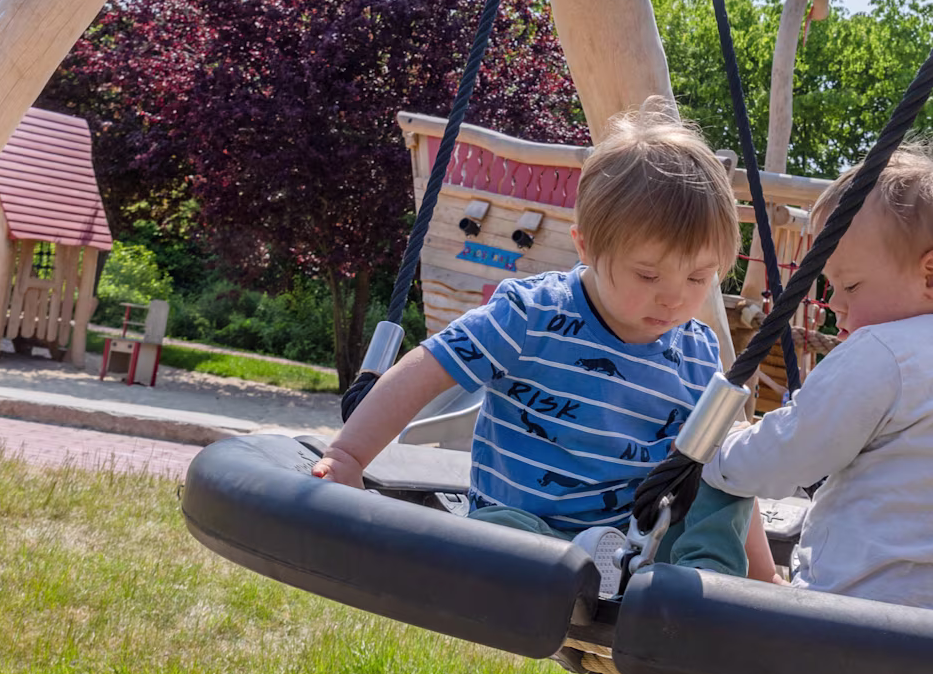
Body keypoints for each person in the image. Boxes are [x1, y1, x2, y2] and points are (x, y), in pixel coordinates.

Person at [311, 98, 767, 588]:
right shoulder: (532, 314)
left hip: (632, 541)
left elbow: (729, 472)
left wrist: (766, 579)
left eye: (699, 277)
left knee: (729, 449)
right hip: (524, 527)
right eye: (647, 274)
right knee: (500, 535)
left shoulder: (697, 353)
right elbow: (427, 369)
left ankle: (711, 580)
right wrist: (348, 456)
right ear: (586, 246)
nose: (674, 299)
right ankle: (569, 570)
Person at [699, 144, 933, 623]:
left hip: (866, 618)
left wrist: (715, 451)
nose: (835, 304)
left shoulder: (883, 350)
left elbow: (784, 453)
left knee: (715, 492)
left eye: (851, 286)